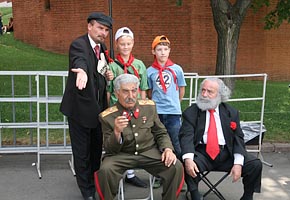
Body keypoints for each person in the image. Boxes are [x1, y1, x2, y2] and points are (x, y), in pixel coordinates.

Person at [95, 74, 184, 200]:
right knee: (105, 170)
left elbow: (161, 132)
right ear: (117, 92)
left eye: (134, 90)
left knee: (176, 166)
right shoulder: (107, 116)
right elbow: (110, 149)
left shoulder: (149, 107)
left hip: (149, 152)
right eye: (125, 91)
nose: (131, 96)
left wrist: (168, 149)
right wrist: (116, 132)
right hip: (122, 154)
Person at [179, 78, 263, 200]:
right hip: (202, 153)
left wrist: (238, 163)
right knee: (185, 160)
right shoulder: (191, 112)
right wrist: (188, 159)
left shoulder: (231, 112)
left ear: (220, 95)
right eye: (203, 90)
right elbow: (186, 137)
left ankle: (247, 196)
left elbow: (238, 138)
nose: (204, 95)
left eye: (209, 91)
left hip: (226, 153)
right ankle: (194, 193)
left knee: (255, 164)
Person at [60, 12, 114, 200]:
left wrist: (107, 74)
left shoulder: (102, 47)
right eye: (100, 28)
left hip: (98, 110)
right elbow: (80, 60)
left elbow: (100, 67)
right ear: (89, 27)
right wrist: (81, 72)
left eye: (106, 30)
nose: (103, 33)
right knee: (82, 153)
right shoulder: (79, 45)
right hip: (80, 110)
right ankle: (87, 191)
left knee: (95, 149)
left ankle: (94, 181)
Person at [107, 26, 149, 188]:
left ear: (133, 44)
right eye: (122, 44)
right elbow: (109, 91)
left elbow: (143, 88)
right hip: (117, 108)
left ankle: (130, 174)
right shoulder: (112, 66)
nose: (125, 47)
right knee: (118, 140)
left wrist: (143, 107)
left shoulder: (139, 65)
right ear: (117, 45)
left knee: (132, 140)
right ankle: (116, 172)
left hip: (135, 108)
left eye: (128, 44)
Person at [147, 35, 186, 160]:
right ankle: (161, 173)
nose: (162, 52)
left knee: (175, 141)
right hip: (157, 112)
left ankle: (179, 171)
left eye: (165, 49)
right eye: (159, 49)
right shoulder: (150, 71)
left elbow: (181, 88)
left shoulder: (177, 69)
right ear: (153, 51)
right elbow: (149, 91)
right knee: (159, 142)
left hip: (173, 111)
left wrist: (176, 103)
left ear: (169, 51)